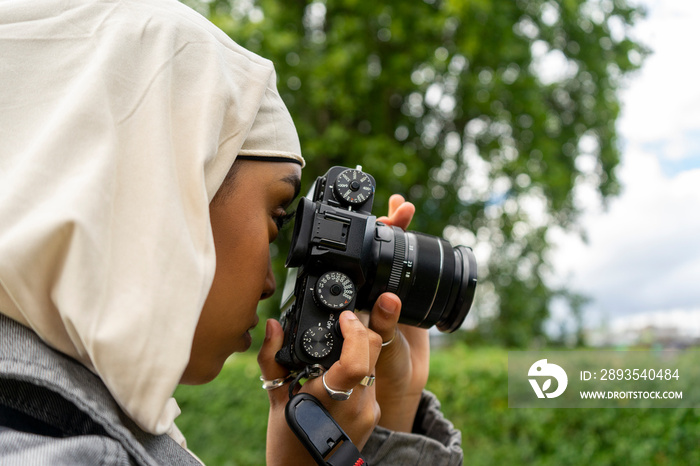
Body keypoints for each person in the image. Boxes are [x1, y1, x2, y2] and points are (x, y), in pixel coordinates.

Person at [0, 0, 463, 464]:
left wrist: (395, 409)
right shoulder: (67, 450)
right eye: (279, 217)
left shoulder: (84, 424)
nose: (270, 283)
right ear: (163, 194)